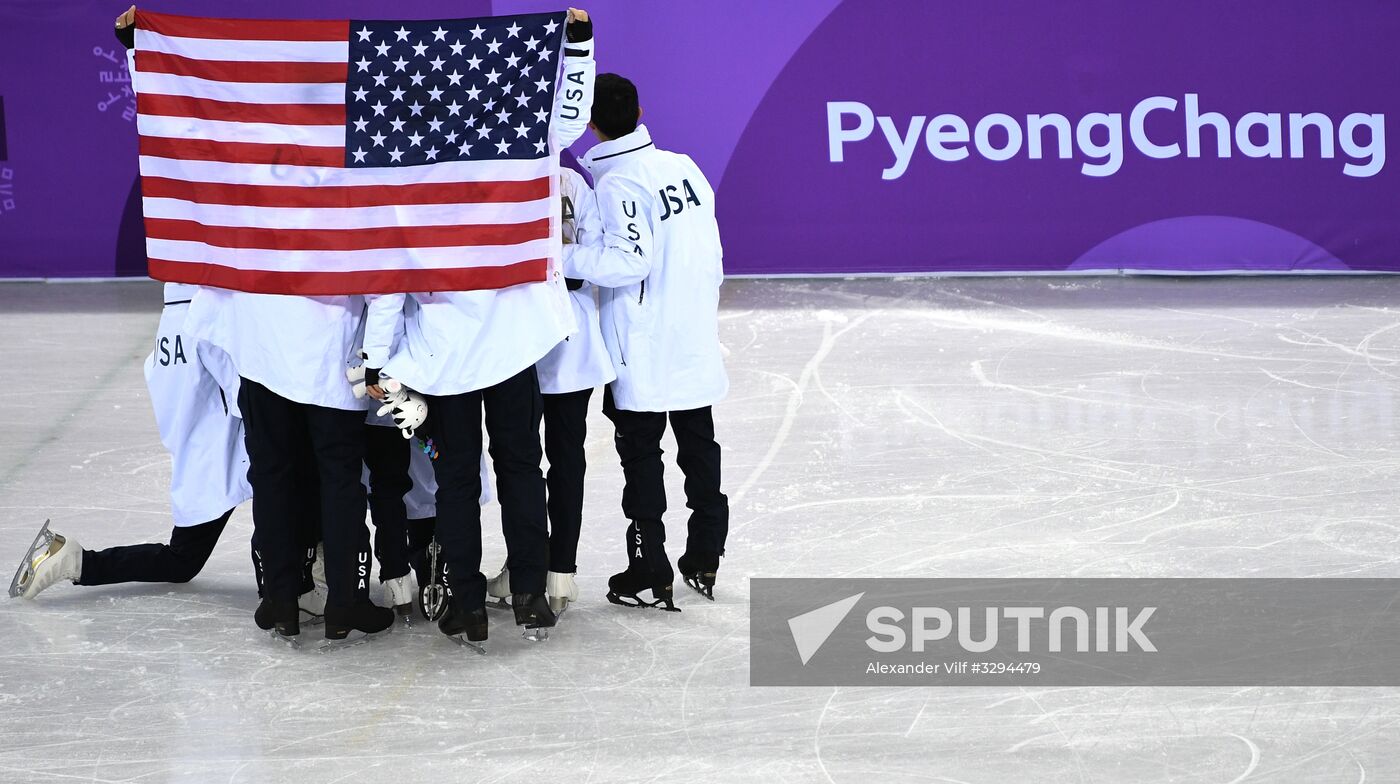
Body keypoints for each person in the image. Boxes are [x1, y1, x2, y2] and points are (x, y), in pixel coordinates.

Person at [361, 8, 596, 651]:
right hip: (512, 343)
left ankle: (468, 605)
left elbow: (387, 281)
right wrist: (578, 44)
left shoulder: (403, 171)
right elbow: (567, 120)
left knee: (458, 480)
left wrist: (375, 360)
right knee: (522, 468)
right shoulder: (514, 144)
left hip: (448, 359)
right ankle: (529, 597)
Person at [563, 73, 730, 609]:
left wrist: (557, 260)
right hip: (691, 333)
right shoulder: (685, 166)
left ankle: (649, 565)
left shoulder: (617, 183)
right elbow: (714, 253)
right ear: (640, 109)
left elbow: (628, 261)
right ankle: (706, 554)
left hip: (641, 346)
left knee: (642, 456)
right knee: (699, 448)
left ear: (589, 124)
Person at [486, 157, 614, 616]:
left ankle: (544, 572)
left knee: (529, 460)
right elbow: (589, 259)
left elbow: (592, 262)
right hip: (540, 342)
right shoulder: (570, 181)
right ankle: (550, 572)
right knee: (555, 458)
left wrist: (551, 259)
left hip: (533, 341)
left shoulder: (554, 180)